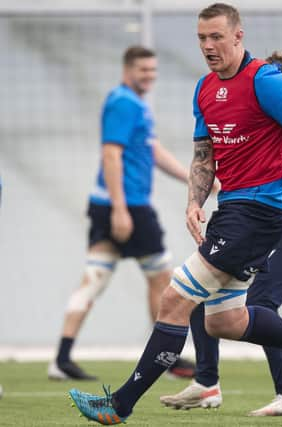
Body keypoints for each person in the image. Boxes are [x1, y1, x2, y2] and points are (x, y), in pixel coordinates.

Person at [68, 4, 282, 424]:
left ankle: (119, 405)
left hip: (260, 213)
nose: (208, 46)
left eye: (216, 37)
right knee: (225, 321)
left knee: (175, 297)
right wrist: (194, 201)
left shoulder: (266, 82)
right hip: (231, 208)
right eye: (201, 38)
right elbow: (204, 156)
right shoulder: (204, 88)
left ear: (238, 36)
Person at [158, 50, 282, 417]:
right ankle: (207, 383)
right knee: (199, 289)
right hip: (267, 226)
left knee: (257, 305)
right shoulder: (264, 124)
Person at [48, 45, 196, 381]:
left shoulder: (136, 104)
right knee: (162, 279)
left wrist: (192, 179)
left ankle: (61, 359)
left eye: (153, 71)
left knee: (94, 279)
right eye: (144, 70)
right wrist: (119, 209)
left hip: (112, 204)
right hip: (127, 206)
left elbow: (153, 151)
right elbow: (110, 155)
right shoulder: (123, 103)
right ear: (127, 69)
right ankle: (167, 358)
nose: (150, 76)